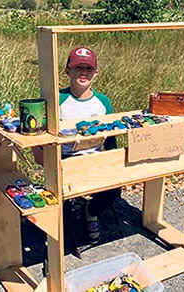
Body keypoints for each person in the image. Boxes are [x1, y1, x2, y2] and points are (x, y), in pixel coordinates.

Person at [32, 46, 121, 244]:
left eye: (88, 69)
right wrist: (41, 156)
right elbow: (40, 133)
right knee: (61, 203)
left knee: (115, 189)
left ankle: (91, 211)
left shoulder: (103, 102)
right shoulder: (57, 99)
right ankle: (62, 226)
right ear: (68, 71)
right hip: (64, 160)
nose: (83, 73)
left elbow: (112, 137)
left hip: (94, 159)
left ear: (95, 73)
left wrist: (113, 163)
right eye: (78, 67)